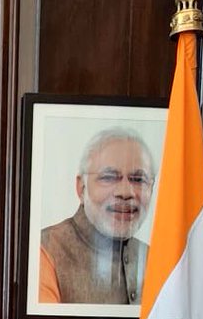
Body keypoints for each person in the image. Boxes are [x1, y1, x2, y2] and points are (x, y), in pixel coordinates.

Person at [39, 127, 157, 305]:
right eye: (109, 177)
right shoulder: (45, 250)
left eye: (138, 179)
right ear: (81, 188)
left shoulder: (156, 259)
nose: (125, 192)